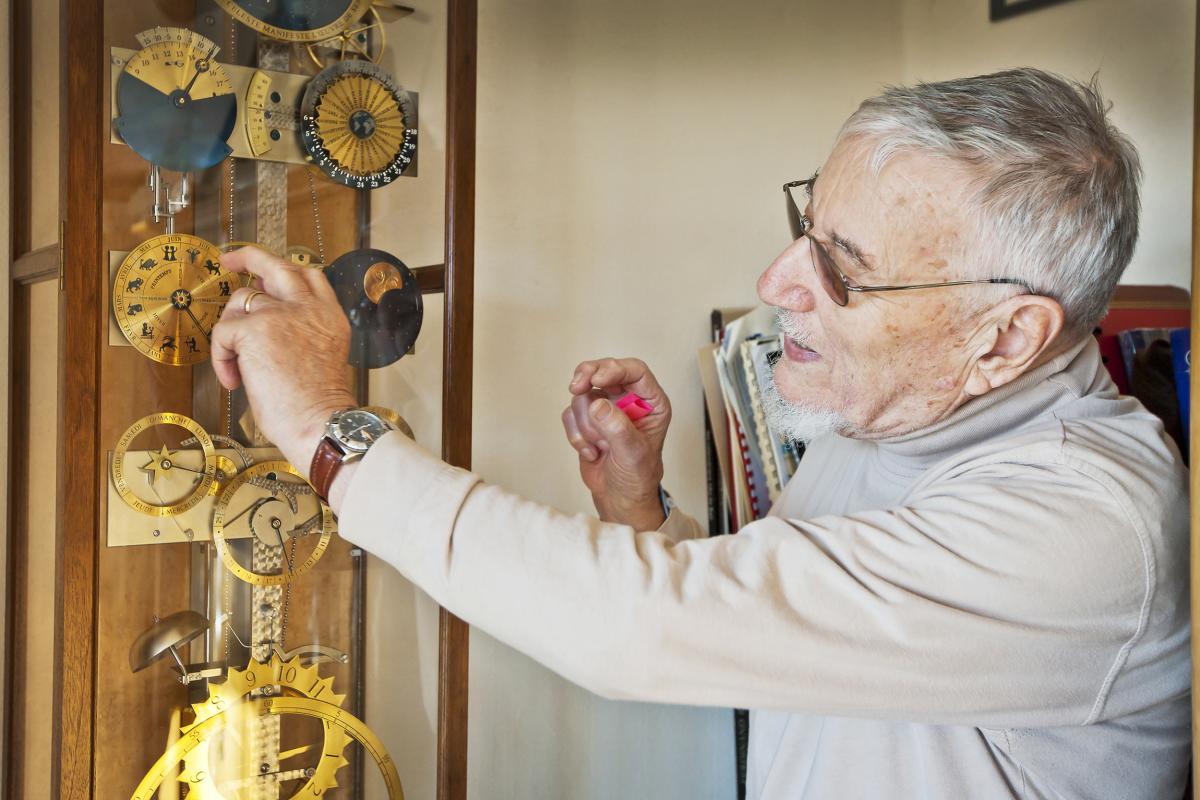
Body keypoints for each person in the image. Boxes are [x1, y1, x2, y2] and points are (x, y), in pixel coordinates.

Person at [211, 68, 1190, 799]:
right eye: (807, 226)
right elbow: (782, 630)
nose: (776, 282)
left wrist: (326, 429)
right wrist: (646, 512)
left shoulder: (1085, 528)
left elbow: (637, 628)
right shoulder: (905, 407)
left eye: (842, 269)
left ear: (1005, 337)